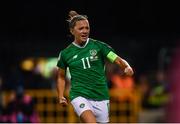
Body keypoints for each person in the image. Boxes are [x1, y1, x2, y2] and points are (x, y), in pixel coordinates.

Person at [56, 10, 134, 123]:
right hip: (79, 95)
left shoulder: (99, 46)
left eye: (87, 28)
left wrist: (126, 67)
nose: (85, 31)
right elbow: (61, 76)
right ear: (72, 31)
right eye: (81, 28)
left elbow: (117, 59)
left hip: (101, 95)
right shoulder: (65, 54)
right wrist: (60, 96)